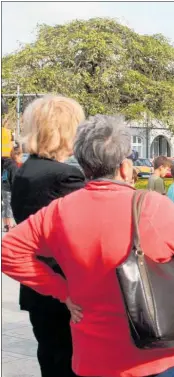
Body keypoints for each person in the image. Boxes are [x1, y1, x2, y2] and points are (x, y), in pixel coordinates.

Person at [2, 114, 174, 377]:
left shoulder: (59, 211)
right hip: (154, 353)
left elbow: (9, 252)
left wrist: (61, 290)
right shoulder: (150, 206)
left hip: (94, 356)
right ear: (124, 167)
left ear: (82, 165)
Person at [8, 95, 86, 377]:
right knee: (72, 362)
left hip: (37, 286)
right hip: (67, 288)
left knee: (51, 358)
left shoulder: (25, 171)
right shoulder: (65, 176)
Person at [2, 146, 23, 232]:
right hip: (9, 189)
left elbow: (4, 177)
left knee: (5, 207)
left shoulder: (6, 163)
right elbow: (14, 180)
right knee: (9, 207)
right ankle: (10, 225)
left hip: (4, 188)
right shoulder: (14, 166)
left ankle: (6, 225)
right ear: (16, 155)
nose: (21, 159)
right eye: (21, 156)